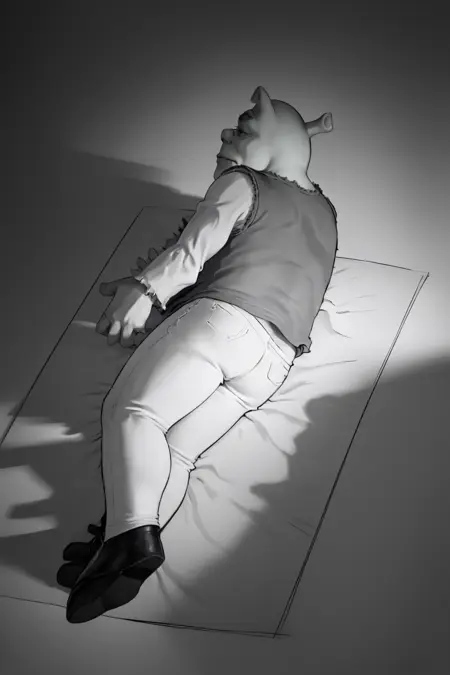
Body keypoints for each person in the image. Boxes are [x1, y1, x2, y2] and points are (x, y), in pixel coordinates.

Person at [61, 86, 338, 623]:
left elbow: (194, 249)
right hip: (274, 361)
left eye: (244, 127)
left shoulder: (244, 184)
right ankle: (116, 546)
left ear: (276, 139)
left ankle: (127, 537)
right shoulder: (325, 211)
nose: (228, 134)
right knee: (178, 452)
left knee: (133, 412)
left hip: (223, 322)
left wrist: (144, 290)